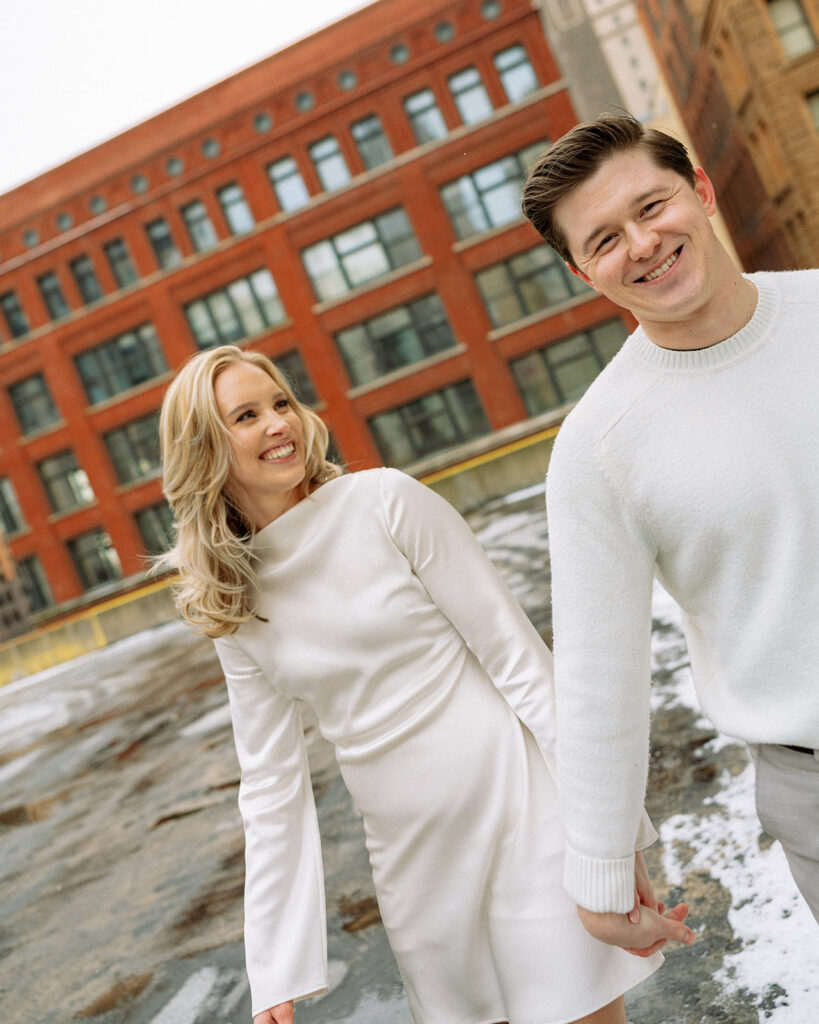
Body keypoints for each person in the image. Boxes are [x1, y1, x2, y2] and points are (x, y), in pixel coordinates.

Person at [157, 344, 692, 1024]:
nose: (277, 424)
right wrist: (273, 968)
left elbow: (521, 665)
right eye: (246, 415)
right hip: (415, 863)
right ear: (205, 449)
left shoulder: (384, 502)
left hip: (520, 811)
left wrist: (609, 838)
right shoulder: (233, 602)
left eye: (281, 403)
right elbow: (269, 785)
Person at [520, 113, 819, 951]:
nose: (642, 244)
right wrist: (601, 866)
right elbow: (597, 670)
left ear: (700, 190)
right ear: (583, 272)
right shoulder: (599, 447)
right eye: (605, 239)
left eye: (651, 207)